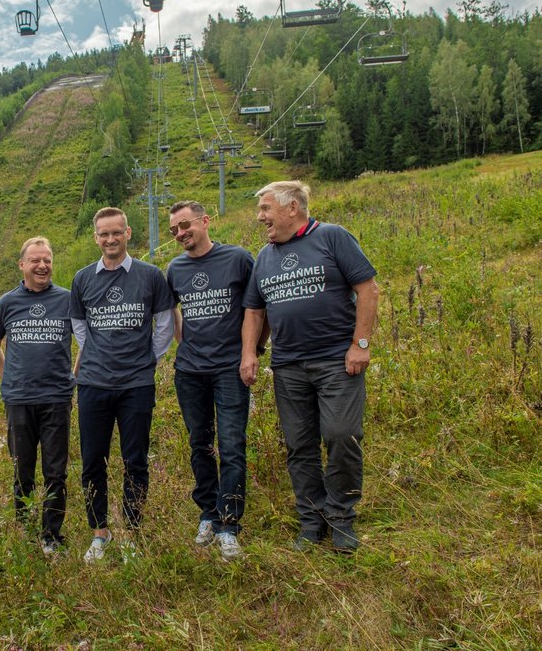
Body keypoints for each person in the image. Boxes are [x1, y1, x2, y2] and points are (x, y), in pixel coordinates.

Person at [240, 181, 379, 553]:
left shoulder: (332, 237)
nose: (261, 217)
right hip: (288, 367)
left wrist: (360, 344)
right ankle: (311, 522)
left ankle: (342, 519)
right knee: (299, 446)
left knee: (341, 435)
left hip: (337, 361)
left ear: (292, 209)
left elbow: (368, 288)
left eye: (266, 209)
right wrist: (250, 353)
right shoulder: (265, 256)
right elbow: (255, 310)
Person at [69, 207, 175, 562]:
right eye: (103, 234)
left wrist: (147, 361)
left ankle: (131, 531)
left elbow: (164, 326)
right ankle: (99, 533)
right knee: (91, 461)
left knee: (135, 460)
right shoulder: (82, 279)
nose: (110, 239)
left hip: (136, 385)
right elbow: (81, 330)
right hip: (94, 385)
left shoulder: (150, 275)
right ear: (96, 237)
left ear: (128, 233)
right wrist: (98, 356)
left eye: (116, 233)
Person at [166, 200, 258, 561]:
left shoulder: (237, 259)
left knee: (232, 445)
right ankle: (207, 513)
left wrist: (252, 350)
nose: (180, 233)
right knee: (199, 444)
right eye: (174, 230)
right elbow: (169, 311)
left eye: (185, 225)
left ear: (205, 221)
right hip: (189, 372)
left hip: (230, 370)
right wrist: (181, 343)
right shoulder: (174, 269)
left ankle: (229, 525)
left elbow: (257, 307)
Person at [0, 237, 75, 555]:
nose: (42, 265)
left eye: (47, 259)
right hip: (19, 401)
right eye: (35, 260)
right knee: (22, 469)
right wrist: (8, 378)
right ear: (21, 265)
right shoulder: (6, 303)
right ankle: (24, 531)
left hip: (56, 399)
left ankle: (51, 536)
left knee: (55, 471)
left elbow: (86, 340)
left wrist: (72, 376)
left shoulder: (68, 299)